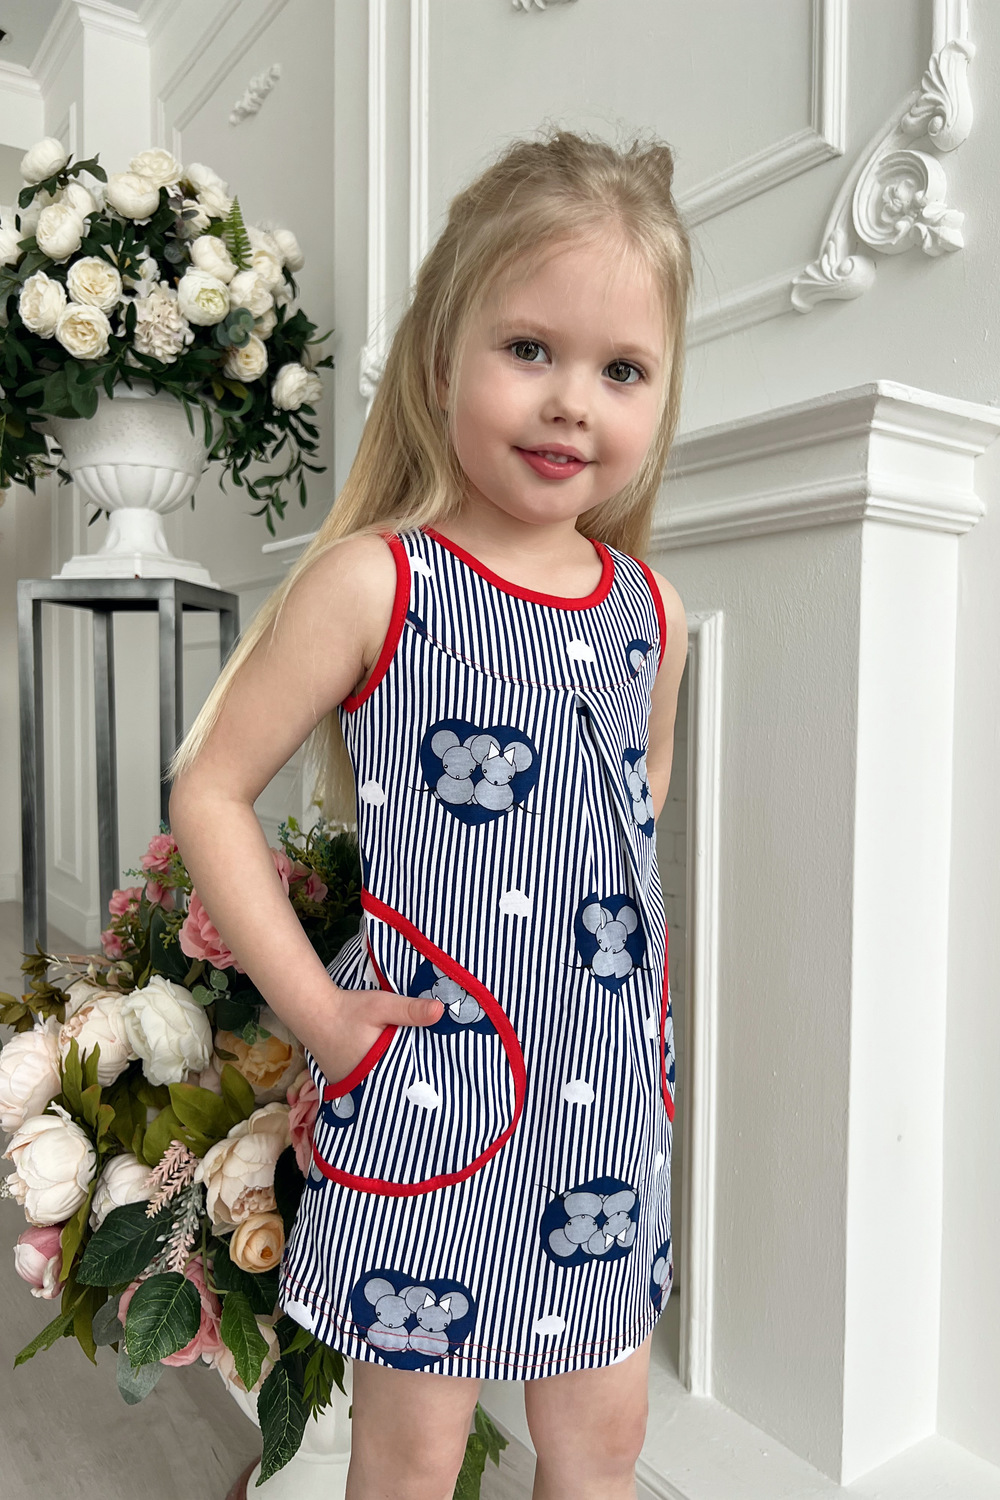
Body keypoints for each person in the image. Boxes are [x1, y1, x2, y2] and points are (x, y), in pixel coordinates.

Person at [167, 127, 692, 1500]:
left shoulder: (652, 612)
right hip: (433, 1093)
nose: (572, 403)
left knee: (605, 1441)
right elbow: (210, 791)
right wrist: (319, 1013)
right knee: (413, 1454)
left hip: (606, 1114)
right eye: (529, 349)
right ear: (440, 353)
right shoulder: (375, 583)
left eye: (621, 370)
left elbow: (632, 807)